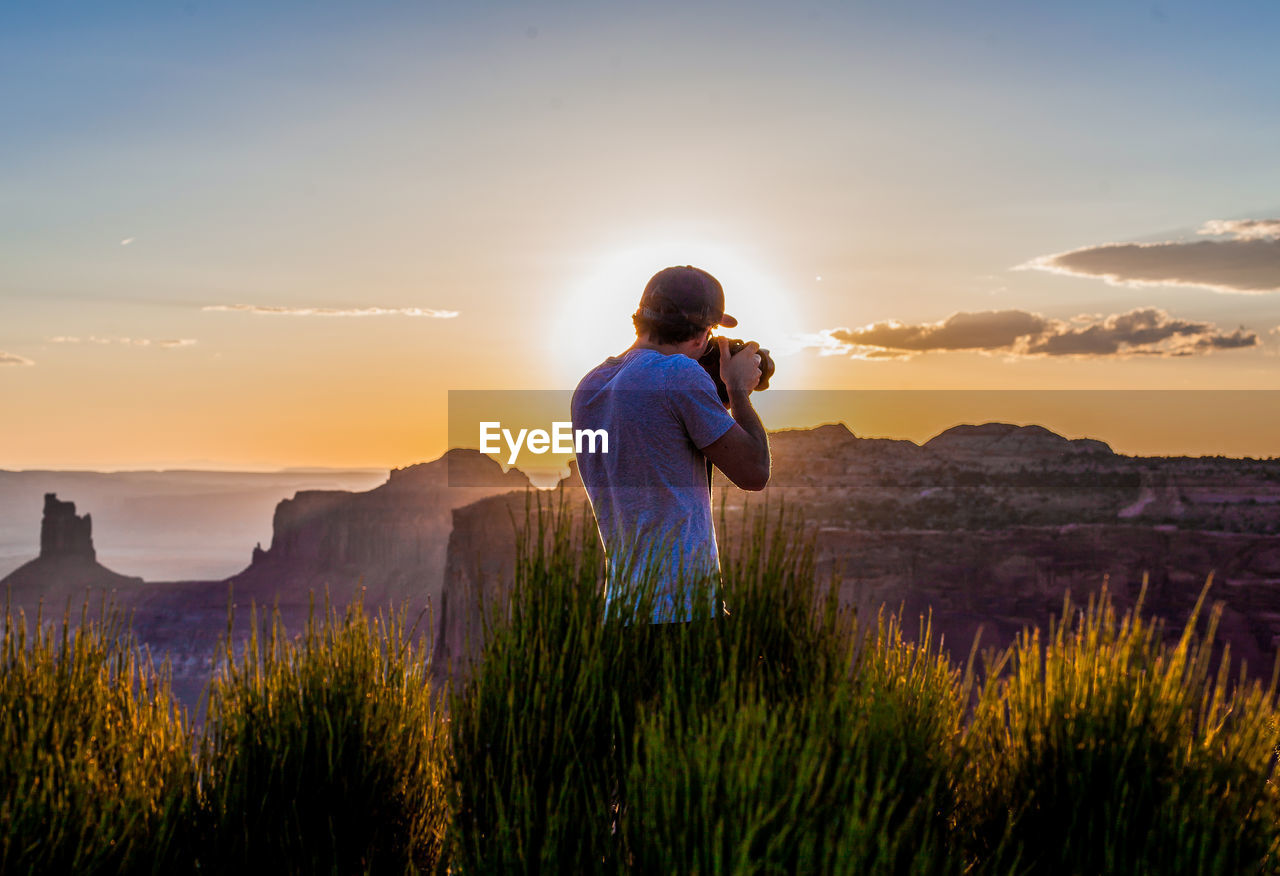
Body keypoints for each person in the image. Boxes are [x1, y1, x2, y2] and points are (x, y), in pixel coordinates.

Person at [570, 265, 770, 624]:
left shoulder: (590, 387)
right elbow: (754, 472)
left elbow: (662, 436)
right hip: (684, 613)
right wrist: (738, 392)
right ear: (700, 335)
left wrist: (711, 395)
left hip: (623, 613)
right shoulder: (677, 374)